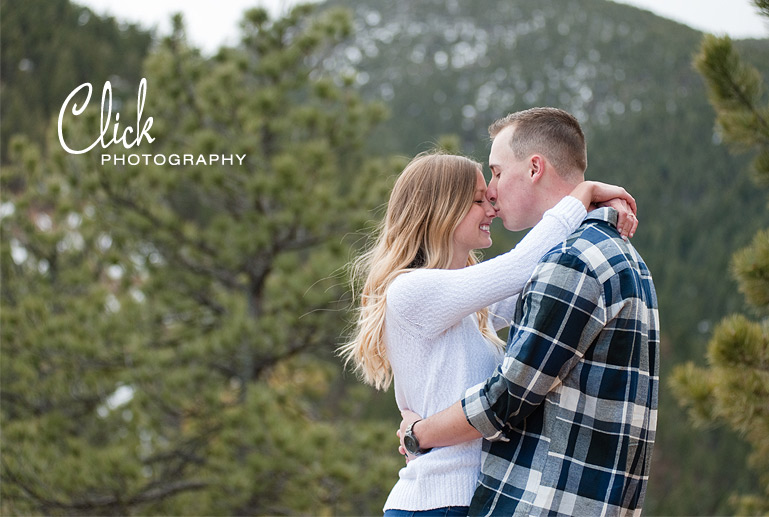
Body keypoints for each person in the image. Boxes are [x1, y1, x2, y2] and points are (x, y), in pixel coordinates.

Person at [339, 147, 638, 516]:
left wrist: (595, 217)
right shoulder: (411, 292)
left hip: (471, 501)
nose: (493, 208)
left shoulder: (464, 305)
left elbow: (540, 286)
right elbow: (518, 267)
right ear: (443, 210)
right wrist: (583, 193)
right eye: (479, 200)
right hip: (438, 503)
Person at [397, 108, 659, 517]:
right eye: (479, 197)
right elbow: (513, 276)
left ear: (535, 167)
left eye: (497, 175)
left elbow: (504, 399)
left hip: (546, 503)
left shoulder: (573, 263)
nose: (493, 199)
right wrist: (585, 198)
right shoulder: (618, 257)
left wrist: (418, 433)